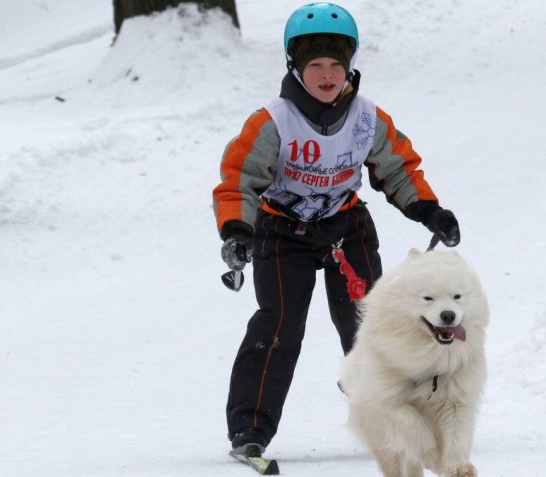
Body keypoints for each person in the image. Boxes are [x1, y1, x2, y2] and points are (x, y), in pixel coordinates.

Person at [212, 2, 461, 458]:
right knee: (280, 325)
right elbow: (239, 179)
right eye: (315, 66)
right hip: (283, 232)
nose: (327, 76)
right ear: (295, 68)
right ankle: (249, 430)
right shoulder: (273, 122)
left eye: (336, 65)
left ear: (350, 66)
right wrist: (237, 231)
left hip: (347, 229)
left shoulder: (367, 119)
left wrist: (430, 211)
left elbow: (398, 168)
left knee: (370, 321)